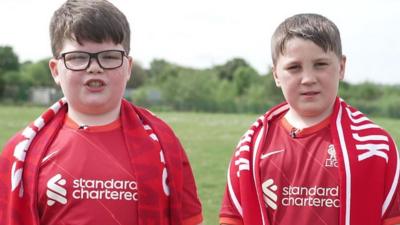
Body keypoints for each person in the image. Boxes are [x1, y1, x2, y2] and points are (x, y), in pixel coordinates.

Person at [0, 0, 203, 224]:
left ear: (128, 67)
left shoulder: (164, 143)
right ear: (56, 70)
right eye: (77, 57)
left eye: (109, 57)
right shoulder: (21, 153)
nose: (94, 67)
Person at [219, 13, 400, 225]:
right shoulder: (251, 145)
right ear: (276, 74)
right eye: (294, 67)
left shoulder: (375, 146)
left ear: (341, 67)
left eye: (320, 64)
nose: (308, 79)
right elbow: (233, 218)